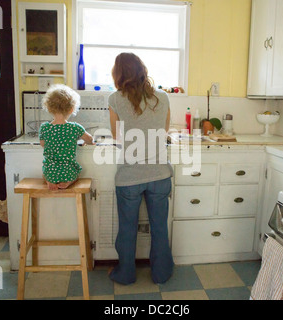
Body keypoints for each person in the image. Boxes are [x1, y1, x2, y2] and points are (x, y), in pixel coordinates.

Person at [108, 52, 174, 285]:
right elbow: (164, 132)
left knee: (127, 229)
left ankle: (125, 274)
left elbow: (117, 137)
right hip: (159, 174)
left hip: (129, 176)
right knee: (159, 227)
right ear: (142, 70)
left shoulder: (115, 99)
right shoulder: (163, 97)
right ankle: (162, 273)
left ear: (119, 74)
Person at [39, 84, 94, 190]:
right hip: (68, 172)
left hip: (50, 172)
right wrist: (89, 142)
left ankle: (49, 181)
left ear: (49, 108)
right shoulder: (74, 128)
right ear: (71, 109)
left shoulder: (44, 128)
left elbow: (43, 144)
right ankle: (69, 182)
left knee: (44, 173)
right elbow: (90, 139)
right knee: (77, 173)